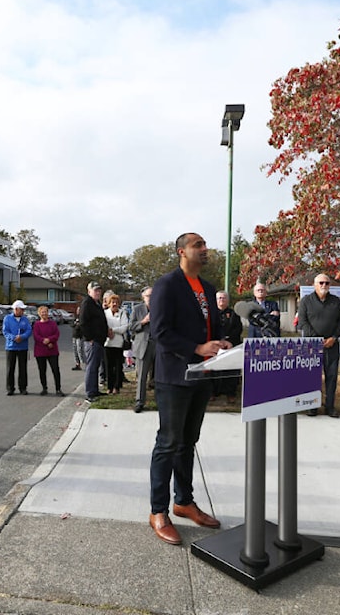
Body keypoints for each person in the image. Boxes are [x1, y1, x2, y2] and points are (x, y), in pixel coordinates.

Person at [148, 232, 231, 545]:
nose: (205, 248)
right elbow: (160, 331)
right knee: (168, 443)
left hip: (202, 375)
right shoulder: (167, 285)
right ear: (182, 251)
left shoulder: (208, 289)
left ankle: (183, 501)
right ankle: (158, 511)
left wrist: (220, 342)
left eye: (205, 244)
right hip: (174, 375)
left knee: (188, 442)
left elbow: (213, 326)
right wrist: (196, 348)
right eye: (198, 244)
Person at [298, 273, 340, 418]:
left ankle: (330, 407)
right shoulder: (306, 301)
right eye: (321, 283)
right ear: (314, 285)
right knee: (312, 377)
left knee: (331, 377)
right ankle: (312, 406)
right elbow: (302, 322)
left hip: (332, 345)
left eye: (327, 283)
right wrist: (316, 338)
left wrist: (334, 338)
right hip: (312, 345)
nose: (324, 285)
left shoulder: (335, 301)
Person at [78, 281, 109, 403]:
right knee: (91, 367)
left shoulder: (97, 303)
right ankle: (90, 393)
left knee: (96, 366)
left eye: (99, 290)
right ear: (89, 291)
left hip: (100, 340)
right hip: (92, 341)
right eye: (95, 290)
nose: (98, 292)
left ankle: (95, 390)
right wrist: (89, 338)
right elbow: (83, 322)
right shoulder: (87, 303)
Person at [212, 291, 243, 402]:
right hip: (215, 345)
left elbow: (238, 329)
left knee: (231, 370)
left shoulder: (234, 314)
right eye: (219, 298)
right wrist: (220, 342)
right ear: (215, 300)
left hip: (231, 345)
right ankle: (213, 392)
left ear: (228, 300)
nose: (221, 300)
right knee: (214, 369)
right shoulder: (212, 314)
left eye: (224, 298)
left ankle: (231, 393)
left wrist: (228, 341)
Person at [130, 286, 155, 413]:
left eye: (153, 295)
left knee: (160, 376)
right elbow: (132, 327)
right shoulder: (137, 309)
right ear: (143, 297)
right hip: (143, 346)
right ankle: (140, 402)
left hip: (158, 346)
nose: (151, 298)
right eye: (148, 296)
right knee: (142, 376)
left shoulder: (161, 308)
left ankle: (162, 401)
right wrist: (143, 322)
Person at [33, 306, 63, 396]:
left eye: (45, 312)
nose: (44, 314)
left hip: (52, 350)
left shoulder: (53, 324)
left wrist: (50, 340)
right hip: (40, 351)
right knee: (42, 370)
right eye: (42, 312)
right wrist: (44, 341)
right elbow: (36, 336)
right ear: (39, 313)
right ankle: (44, 388)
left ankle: (58, 389)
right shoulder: (36, 324)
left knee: (55, 370)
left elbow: (56, 334)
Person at [3, 300, 32, 395]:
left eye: (23, 310)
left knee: (23, 368)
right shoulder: (7, 318)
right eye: (21, 309)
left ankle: (23, 388)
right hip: (11, 347)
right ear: (16, 309)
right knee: (10, 368)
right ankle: (10, 388)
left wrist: (22, 337)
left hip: (23, 347)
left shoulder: (25, 319)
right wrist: (13, 338)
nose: (23, 311)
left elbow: (29, 330)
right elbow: (5, 331)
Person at [104, 294, 130, 395]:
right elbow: (103, 325)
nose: (114, 304)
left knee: (118, 366)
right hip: (107, 343)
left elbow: (124, 327)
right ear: (109, 303)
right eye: (112, 302)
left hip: (118, 343)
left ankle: (117, 386)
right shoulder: (105, 313)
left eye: (116, 302)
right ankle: (109, 386)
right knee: (108, 366)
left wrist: (113, 330)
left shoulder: (123, 313)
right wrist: (107, 331)